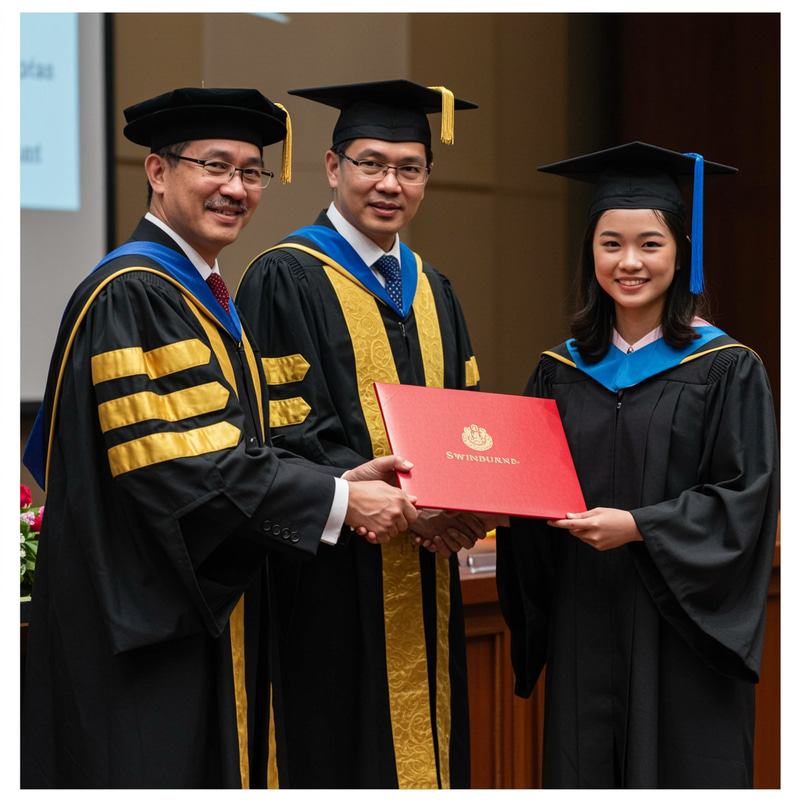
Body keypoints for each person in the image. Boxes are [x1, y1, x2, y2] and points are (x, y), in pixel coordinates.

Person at [20, 86, 420, 789]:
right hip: (137, 635)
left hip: (174, 619)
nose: (236, 188)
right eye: (215, 166)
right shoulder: (136, 292)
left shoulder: (196, 294)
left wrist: (338, 481)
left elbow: (230, 451)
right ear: (157, 171)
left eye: (251, 172)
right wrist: (337, 502)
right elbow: (187, 470)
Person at [235, 79, 500, 789]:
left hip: (427, 569)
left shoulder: (434, 288)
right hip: (329, 576)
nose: (390, 184)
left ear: (427, 178)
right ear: (332, 167)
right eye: (371, 163)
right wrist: (407, 506)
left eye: (409, 168)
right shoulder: (285, 276)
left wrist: (467, 502)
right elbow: (283, 433)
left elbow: (466, 422)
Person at [495, 142, 779, 789]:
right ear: (590, 253)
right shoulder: (558, 371)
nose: (629, 262)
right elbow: (526, 483)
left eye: (650, 244)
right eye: (611, 244)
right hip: (584, 618)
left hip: (681, 629)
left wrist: (640, 526)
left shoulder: (727, 368)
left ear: (681, 252)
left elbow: (747, 498)